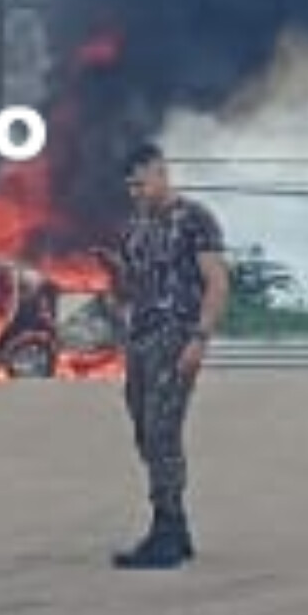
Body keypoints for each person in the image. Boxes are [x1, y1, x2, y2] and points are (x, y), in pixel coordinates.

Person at [100, 142, 231, 570]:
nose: (134, 193)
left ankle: (167, 530)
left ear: (161, 174)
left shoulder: (195, 219)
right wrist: (113, 275)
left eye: (140, 183)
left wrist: (200, 337)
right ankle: (176, 528)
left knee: (162, 430)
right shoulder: (135, 228)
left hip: (176, 335)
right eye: (129, 187)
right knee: (143, 427)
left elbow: (216, 281)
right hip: (141, 338)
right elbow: (132, 286)